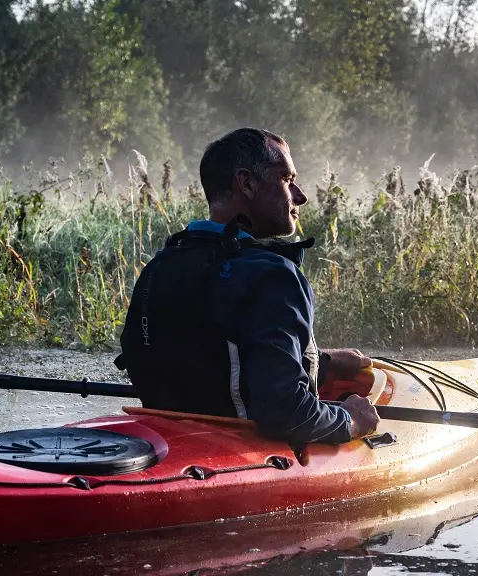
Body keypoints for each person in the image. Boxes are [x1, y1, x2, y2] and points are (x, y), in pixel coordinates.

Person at [115, 127, 381, 449]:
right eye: (286, 179)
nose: (300, 196)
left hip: (165, 445)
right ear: (247, 183)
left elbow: (210, 359)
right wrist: (350, 420)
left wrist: (319, 363)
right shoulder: (273, 276)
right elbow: (286, 412)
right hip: (235, 458)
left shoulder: (161, 265)